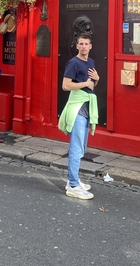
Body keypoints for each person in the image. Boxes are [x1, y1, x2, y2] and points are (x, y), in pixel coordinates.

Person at [58, 33, 100, 200]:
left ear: (90, 46)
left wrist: (97, 79)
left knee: (81, 147)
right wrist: (86, 83)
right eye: (81, 44)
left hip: (88, 107)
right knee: (76, 148)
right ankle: (73, 185)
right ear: (77, 46)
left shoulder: (91, 62)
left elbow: (91, 85)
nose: (83, 46)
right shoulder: (73, 63)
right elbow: (65, 85)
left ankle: (74, 180)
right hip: (77, 108)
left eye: (86, 44)